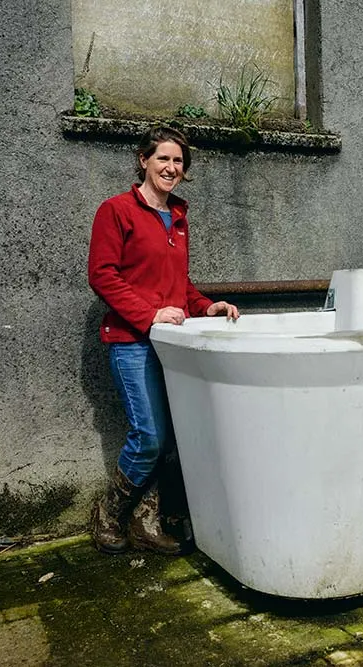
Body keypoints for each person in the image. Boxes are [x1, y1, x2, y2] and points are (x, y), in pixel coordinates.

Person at [87, 126, 239, 556]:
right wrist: (149, 315)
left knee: (172, 436)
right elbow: (103, 275)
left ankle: (145, 523)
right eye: (163, 159)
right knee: (149, 436)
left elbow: (178, 285)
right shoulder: (116, 211)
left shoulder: (178, 217)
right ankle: (108, 513)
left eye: (178, 162)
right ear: (144, 161)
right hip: (132, 340)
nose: (171, 168)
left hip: (171, 342)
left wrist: (205, 306)